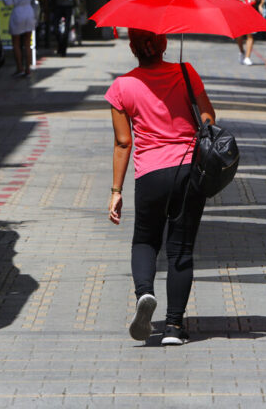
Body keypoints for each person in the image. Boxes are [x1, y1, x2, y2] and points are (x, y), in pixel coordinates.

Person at [105, 29, 215, 346]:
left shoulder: (121, 87)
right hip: (188, 171)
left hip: (150, 175)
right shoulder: (186, 72)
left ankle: (145, 293)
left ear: (132, 48)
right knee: (180, 249)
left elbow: (123, 143)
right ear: (164, 44)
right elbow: (208, 116)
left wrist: (116, 191)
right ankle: (173, 327)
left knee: (145, 240)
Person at [3, 0, 48, 76]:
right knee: (27, 43)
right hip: (28, 12)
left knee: (16, 43)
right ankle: (28, 69)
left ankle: (20, 68)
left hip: (17, 13)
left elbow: (7, 1)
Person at [228, 0, 261, 66]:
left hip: (251, 10)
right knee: (239, 34)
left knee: (250, 34)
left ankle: (247, 57)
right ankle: (242, 51)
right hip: (239, 10)